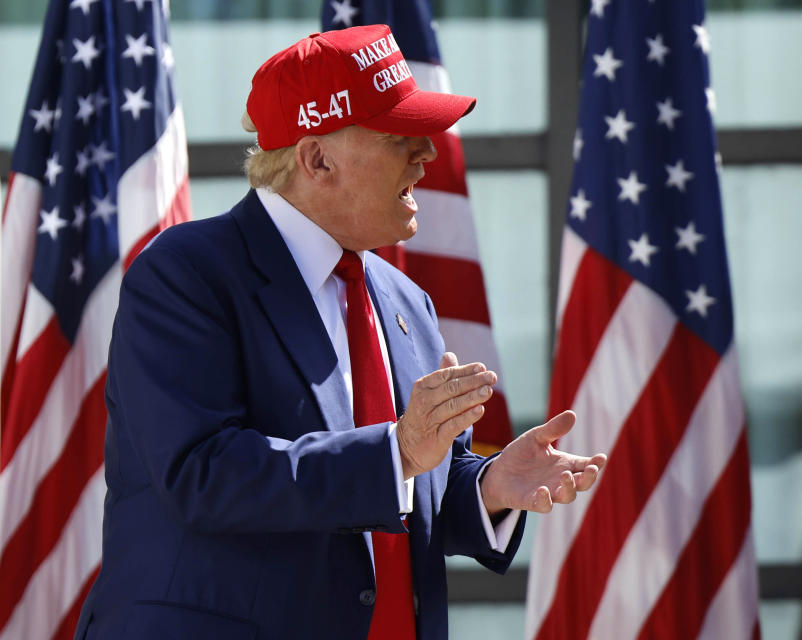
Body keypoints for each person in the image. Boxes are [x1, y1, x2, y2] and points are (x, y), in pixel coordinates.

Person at [74, 24, 606, 640]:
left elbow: (406, 484)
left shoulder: (406, 299)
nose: (427, 153)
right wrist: (401, 450)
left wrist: (489, 488)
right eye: (400, 136)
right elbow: (201, 472)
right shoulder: (187, 272)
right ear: (317, 158)